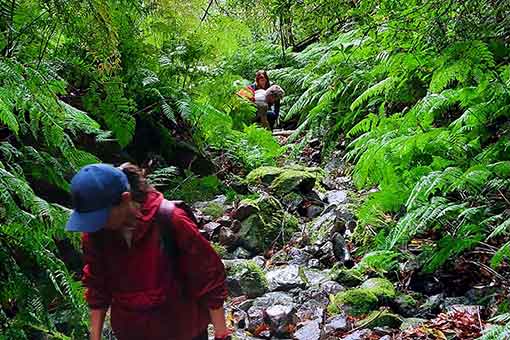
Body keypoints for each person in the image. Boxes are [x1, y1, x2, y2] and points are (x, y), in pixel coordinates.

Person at [65, 163, 231, 340]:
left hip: (184, 332)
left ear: (125, 199)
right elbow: (97, 286)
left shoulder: (171, 220)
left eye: (99, 217)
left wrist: (221, 333)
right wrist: (95, 336)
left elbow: (208, 276)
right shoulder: (95, 235)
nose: (94, 225)